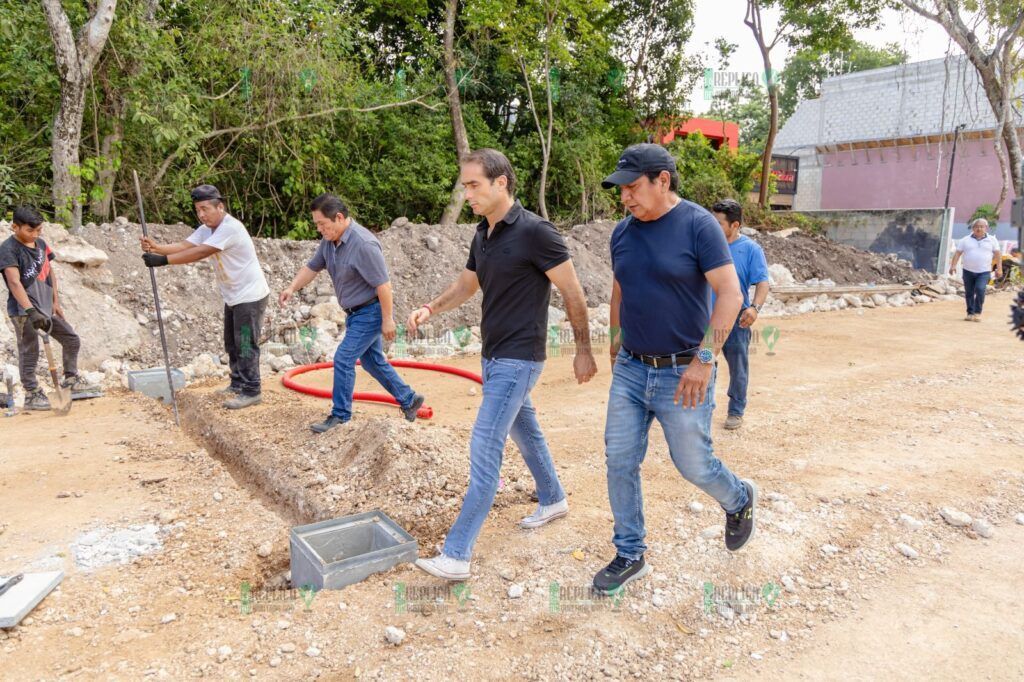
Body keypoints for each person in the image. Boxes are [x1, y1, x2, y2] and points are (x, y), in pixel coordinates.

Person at [408, 148, 597, 581]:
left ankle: (456, 554)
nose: (467, 192)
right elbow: (467, 285)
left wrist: (583, 349)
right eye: (465, 184)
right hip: (493, 356)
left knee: (485, 444)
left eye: (473, 184)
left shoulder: (537, 233)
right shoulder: (483, 233)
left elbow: (573, 293)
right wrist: (430, 308)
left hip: (520, 358)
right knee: (523, 428)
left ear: (501, 183)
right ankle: (553, 496)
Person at [593, 144, 757, 595]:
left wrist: (704, 360)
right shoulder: (622, 233)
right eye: (621, 189)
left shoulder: (699, 225)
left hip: (684, 370)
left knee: (694, 465)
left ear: (662, 180)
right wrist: (612, 345)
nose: (625, 197)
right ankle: (630, 552)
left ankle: (739, 498)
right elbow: (618, 293)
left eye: (632, 187)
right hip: (631, 368)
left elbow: (730, 295)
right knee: (619, 460)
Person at [279, 193, 424, 433]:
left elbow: (383, 285)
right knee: (372, 361)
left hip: (371, 311)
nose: (319, 230)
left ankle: (340, 416)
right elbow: (313, 266)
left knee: (343, 358)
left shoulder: (363, 244)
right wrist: (292, 288)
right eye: (317, 225)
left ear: (338, 218)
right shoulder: (329, 241)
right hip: (355, 313)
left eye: (322, 224)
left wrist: (388, 320)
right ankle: (409, 399)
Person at [141, 184, 270, 408]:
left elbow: (201, 252)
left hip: (250, 296)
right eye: (198, 210)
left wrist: (162, 261)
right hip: (233, 295)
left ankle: (252, 390)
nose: (201, 215)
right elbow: (185, 245)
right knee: (231, 342)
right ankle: (238, 382)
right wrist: (157, 248)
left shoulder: (230, 228)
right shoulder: (207, 228)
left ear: (219, 207)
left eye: (205, 209)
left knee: (246, 343)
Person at [1, 206, 100, 410]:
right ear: (15, 227)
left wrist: (55, 301)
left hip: (46, 306)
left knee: (71, 339)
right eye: (30, 230)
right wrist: (31, 311)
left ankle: (71, 380)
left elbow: (49, 272)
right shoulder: (7, 249)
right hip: (24, 311)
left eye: (39, 230)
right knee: (30, 351)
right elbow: (14, 282)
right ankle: (32, 393)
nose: (35, 235)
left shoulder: (41, 244)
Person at [710, 199, 769, 430]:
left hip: (736, 319)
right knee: (704, 361)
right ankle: (703, 407)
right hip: (707, 317)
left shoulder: (751, 249)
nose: (713, 228)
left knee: (738, 367)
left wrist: (754, 308)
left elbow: (762, 283)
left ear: (735, 225)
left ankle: (736, 410)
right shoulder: (706, 245)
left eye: (718, 223)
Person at [949, 218, 1001, 321]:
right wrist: (953, 266)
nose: (979, 229)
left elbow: (998, 255)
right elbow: (958, 253)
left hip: (984, 271)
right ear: (973, 228)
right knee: (969, 292)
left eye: (982, 227)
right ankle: (970, 313)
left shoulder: (992, 240)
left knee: (980, 289)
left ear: (986, 228)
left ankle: (977, 312)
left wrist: (999, 268)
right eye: (976, 227)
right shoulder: (965, 240)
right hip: (968, 271)